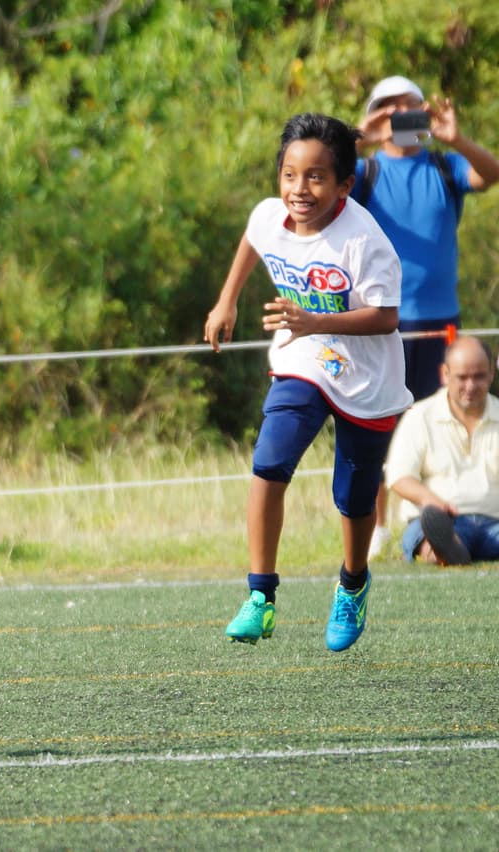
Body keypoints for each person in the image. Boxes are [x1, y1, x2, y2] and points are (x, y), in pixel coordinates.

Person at [203, 113, 413, 653]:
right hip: (304, 357)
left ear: (344, 184)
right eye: (290, 174)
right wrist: (228, 299)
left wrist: (315, 319)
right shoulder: (270, 216)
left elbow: (386, 317)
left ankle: (352, 582)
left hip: (368, 380)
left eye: (317, 177)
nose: (300, 189)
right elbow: (253, 240)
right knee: (269, 460)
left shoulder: (364, 240)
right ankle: (260, 597)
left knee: (353, 497)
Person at [352, 76, 499, 559]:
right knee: (377, 421)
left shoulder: (443, 164)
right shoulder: (362, 171)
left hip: (441, 321)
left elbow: (490, 173)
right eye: (390, 108)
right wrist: (359, 135)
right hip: (380, 320)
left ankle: (454, 518)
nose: (402, 115)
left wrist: (457, 138)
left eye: (411, 107)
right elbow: (323, 183)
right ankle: (373, 527)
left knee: (446, 417)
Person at [385, 336, 499, 566]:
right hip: (445, 520)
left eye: (478, 376)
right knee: (426, 535)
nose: (470, 386)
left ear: (491, 374)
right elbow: (399, 477)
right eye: (462, 377)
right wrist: (432, 501)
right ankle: (445, 548)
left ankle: (449, 552)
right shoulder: (420, 416)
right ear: (445, 374)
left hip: (494, 522)